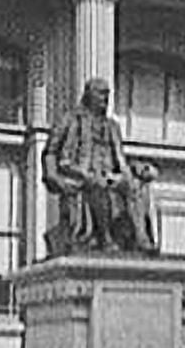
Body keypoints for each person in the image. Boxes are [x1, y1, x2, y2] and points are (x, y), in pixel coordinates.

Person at [42, 77, 158, 256]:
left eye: (108, 94)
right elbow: (51, 151)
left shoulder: (113, 126)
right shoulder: (70, 119)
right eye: (101, 93)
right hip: (79, 173)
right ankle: (105, 238)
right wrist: (52, 174)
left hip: (111, 175)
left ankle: (141, 238)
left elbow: (120, 159)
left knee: (136, 186)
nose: (106, 98)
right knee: (97, 184)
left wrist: (137, 168)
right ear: (89, 95)